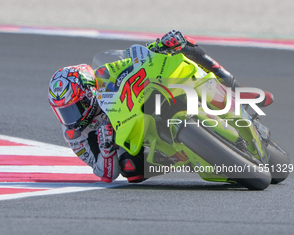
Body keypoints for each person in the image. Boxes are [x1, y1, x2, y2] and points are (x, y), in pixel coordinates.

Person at [48, 30, 274, 183]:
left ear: (90, 94)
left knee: (183, 45)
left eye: (75, 107)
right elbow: (105, 175)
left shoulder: (103, 75)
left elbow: (132, 59)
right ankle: (184, 156)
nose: (71, 116)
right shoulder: (75, 135)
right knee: (130, 171)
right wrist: (106, 150)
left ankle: (234, 86)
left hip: (136, 106)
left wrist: (159, 46)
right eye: (63, 111)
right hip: (134, 143)